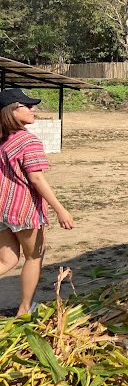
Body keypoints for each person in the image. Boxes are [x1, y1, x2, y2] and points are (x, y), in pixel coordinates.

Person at [0, 88, 73, 316]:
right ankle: (24, 309)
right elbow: (36, 177)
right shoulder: (27, 140)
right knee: (34, 257)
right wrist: (60, 209)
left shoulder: (2, 140)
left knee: (8, 260)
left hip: (1, 209)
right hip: (23, 209)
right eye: (27, 105)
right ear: (13, 111)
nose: (33, 109)